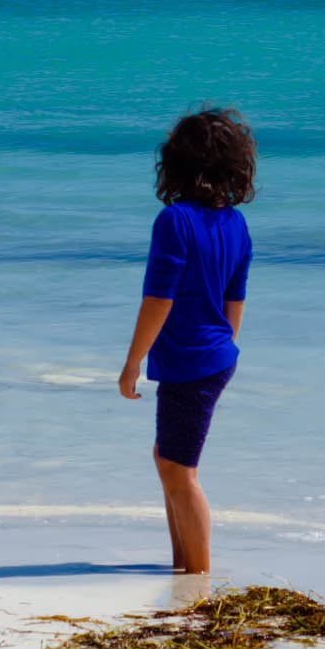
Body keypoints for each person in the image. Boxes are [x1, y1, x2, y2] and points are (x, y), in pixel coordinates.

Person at [117, 108, 255, 575]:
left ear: (176, 161)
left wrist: (132, 362)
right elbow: (235, 301)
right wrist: (217, 349)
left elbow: (158, 300)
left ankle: (197, 576)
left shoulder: (174, 221)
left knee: (181, 471)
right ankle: (181, 567)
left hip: (192, 360)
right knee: (168, 460)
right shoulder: (236, 224)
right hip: (211, 356)